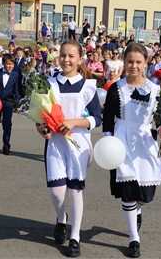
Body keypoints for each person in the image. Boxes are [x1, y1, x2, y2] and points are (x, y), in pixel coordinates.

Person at [35, 40, 102, 257]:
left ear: (80, 60)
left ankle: (75, 237)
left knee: (75, 190)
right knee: (56, 191)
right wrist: (41, 127)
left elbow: (96, 119)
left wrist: (74, 122)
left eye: (71, 56)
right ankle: (61, 218)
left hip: (78, 144)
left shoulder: (89, 86)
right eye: (63, 55)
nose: (66, 59)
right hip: (55, 143)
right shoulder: (49, 83)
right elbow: (41, 114)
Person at [102, 42, 161, 258]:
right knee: (128, 191)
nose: (133, 65)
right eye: (129, 61)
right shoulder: (116, 87)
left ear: (145, 63)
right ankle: (134, 239)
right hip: (121, 141)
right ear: (124, 62)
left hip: (145, 141)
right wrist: (107, 141)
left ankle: (138, 210)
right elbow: (108, 118)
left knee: (146, 194)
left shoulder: (156, 89)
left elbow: (159, 119)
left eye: (138, 62)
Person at [0, 53, 21, 155]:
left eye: (12, 64)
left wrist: (17, 104)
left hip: (8, 102)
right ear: (3, 63)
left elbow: (16, 90)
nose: (10, 66)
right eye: (8, 64)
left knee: (7, 124)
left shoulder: (15, 75)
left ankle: (6, 145)